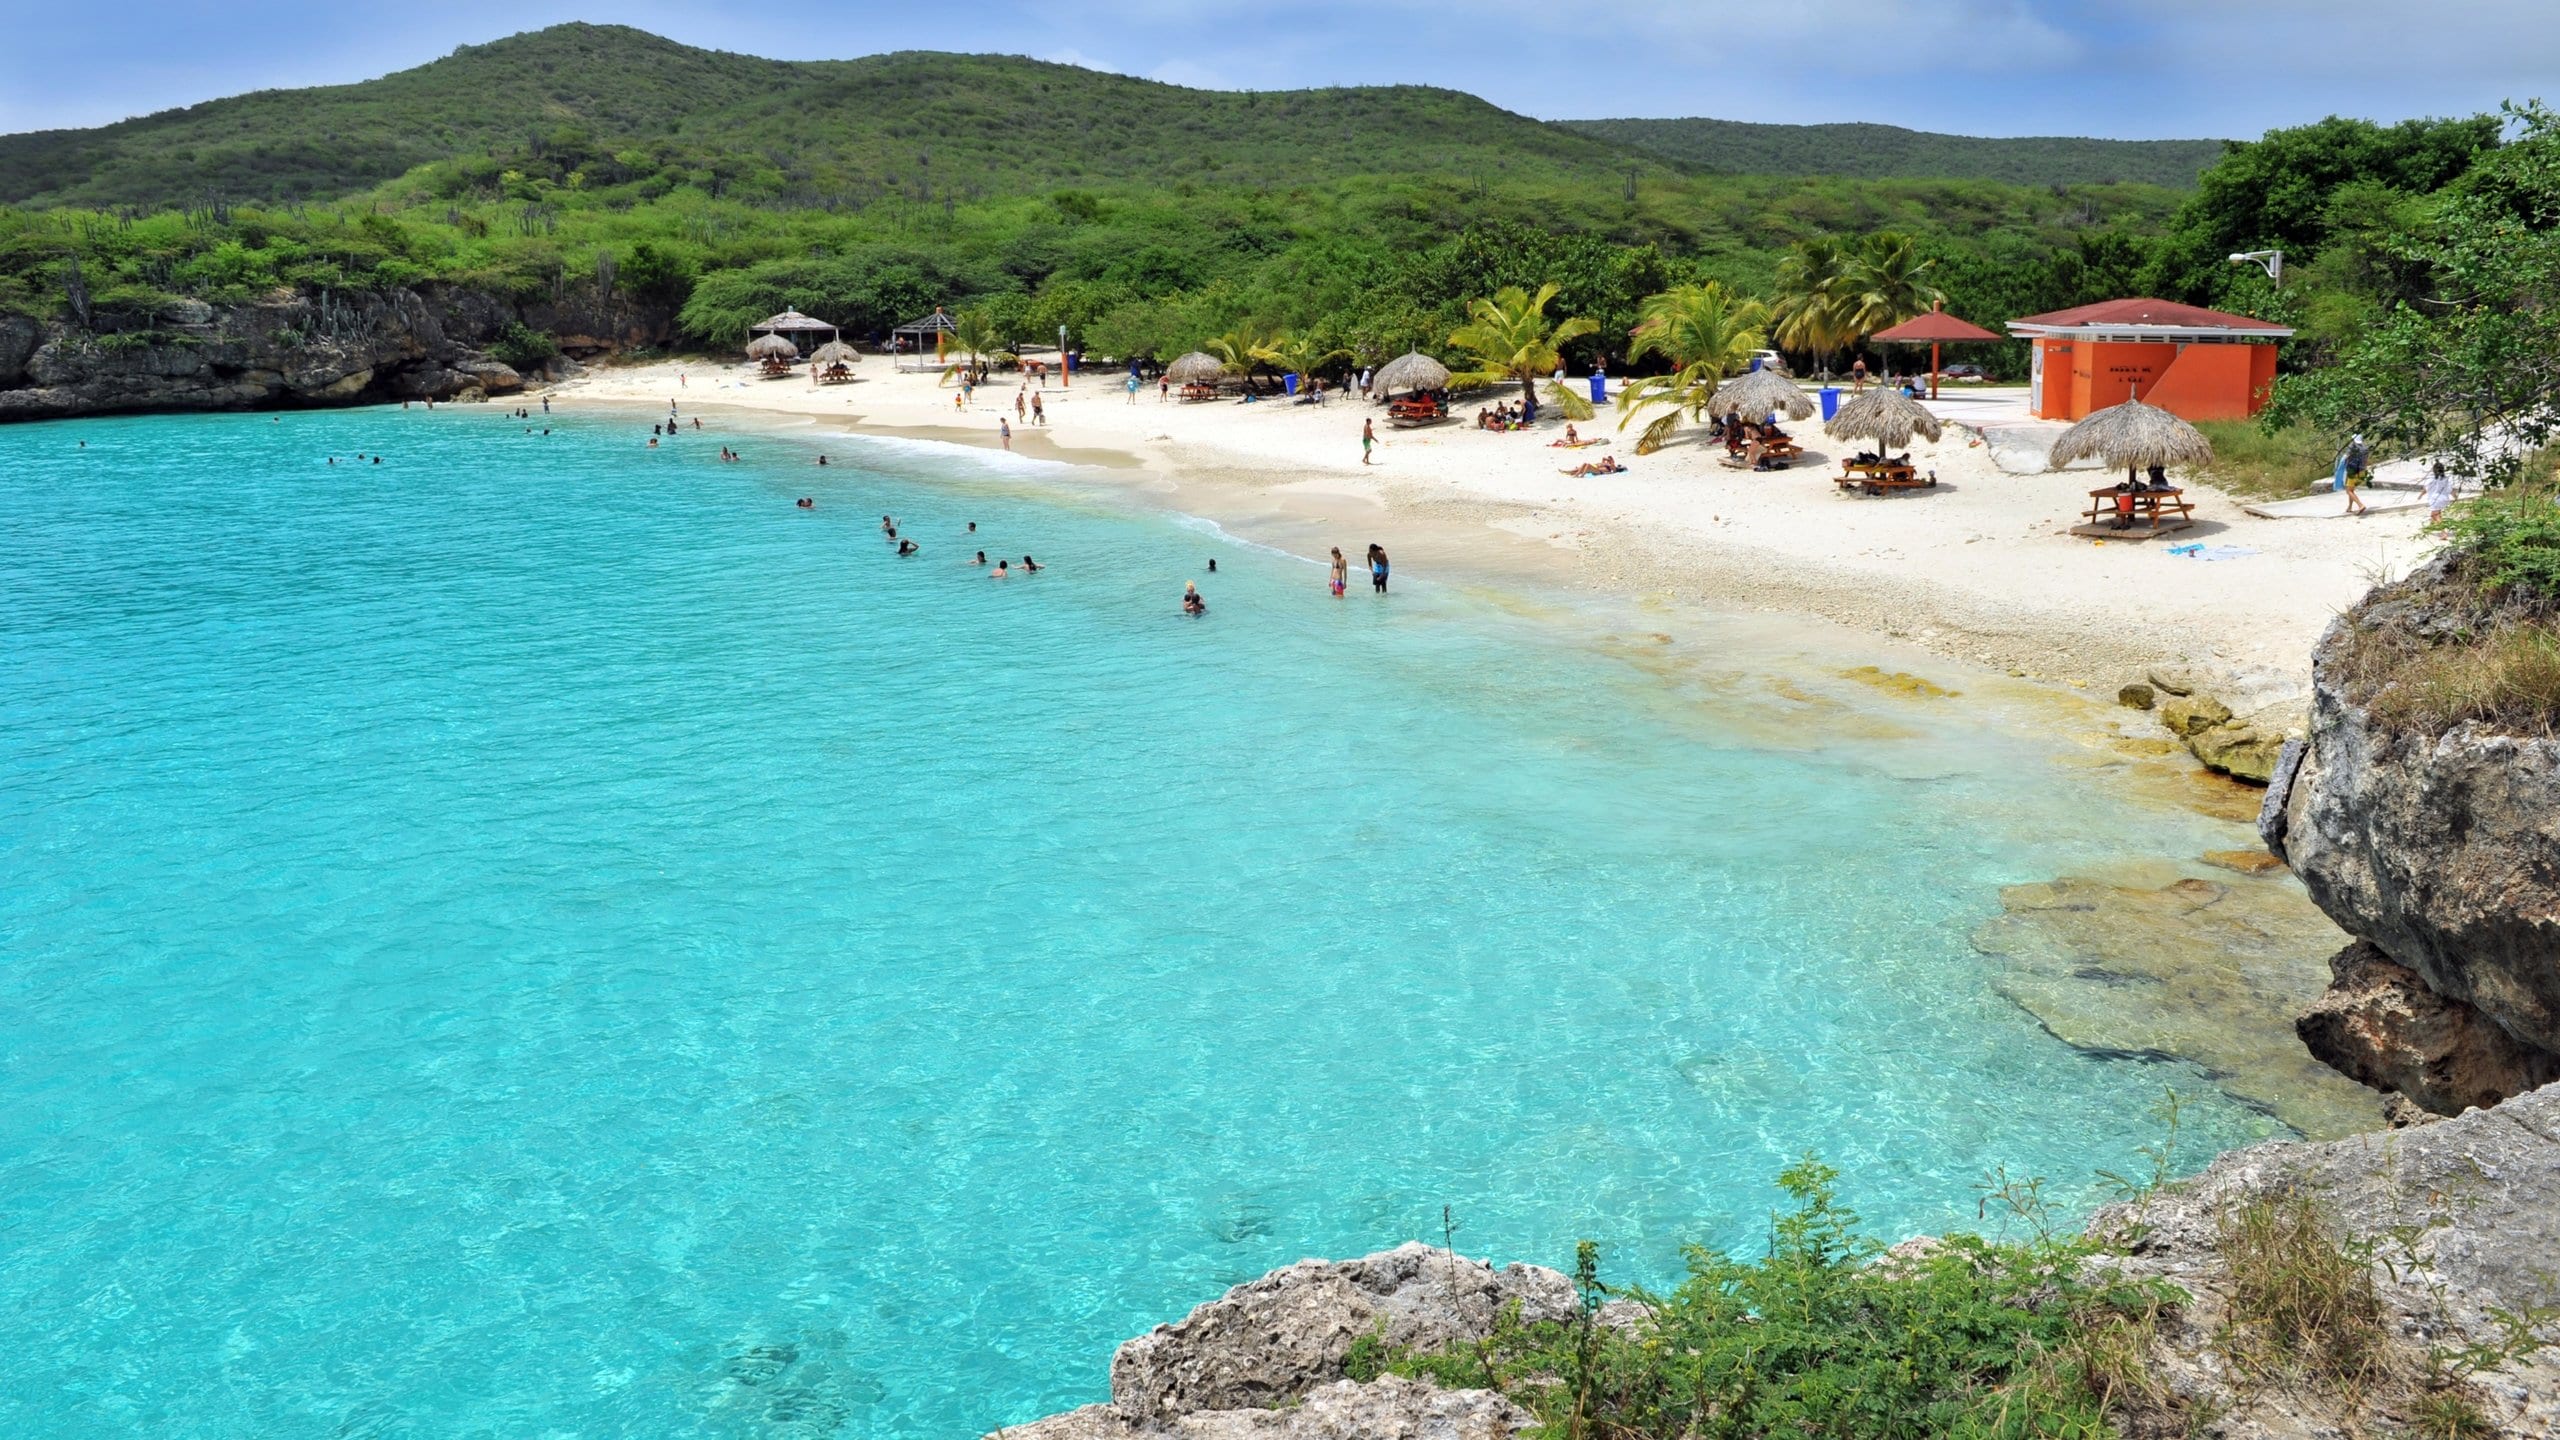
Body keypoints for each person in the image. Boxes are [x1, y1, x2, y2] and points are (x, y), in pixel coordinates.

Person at [2342, 434, 2371, 516]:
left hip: (2353, 471)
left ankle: (2360, 505)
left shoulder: (2351, 447)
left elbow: (2346, 456)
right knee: (2351, 490)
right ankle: (2350, 507)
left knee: (2349, 491)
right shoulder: (2365, 448)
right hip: (2362, 472)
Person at [2426, 459, 2455, 523]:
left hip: (2434, 499)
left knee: (2436, 515)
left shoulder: (2431, 479)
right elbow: (2451, 489)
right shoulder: (2446, 479)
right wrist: (2455, 497)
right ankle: (2431, 525)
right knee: (2435, 513)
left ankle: (2443, 532)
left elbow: (2425, 488)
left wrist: (2419, 496)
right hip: (2444, 499)